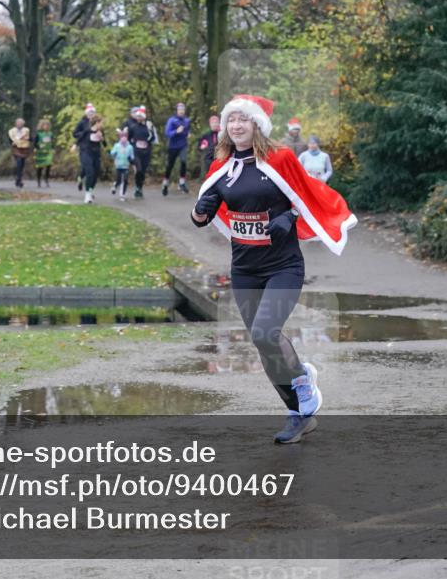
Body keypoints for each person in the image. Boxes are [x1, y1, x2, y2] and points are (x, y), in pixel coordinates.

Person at [191, 94, 357, 444]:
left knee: (267, 332)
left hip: (283, 266)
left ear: (257, 125)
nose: (237, 125)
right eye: (232, 119)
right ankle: (297, 413)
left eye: (244, 119)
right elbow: (201, 218)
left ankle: (301, 379)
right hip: (244, 269)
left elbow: (306, 194)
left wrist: (289, 217)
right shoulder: (221, 164)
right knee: (262, 341)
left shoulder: (280, 158)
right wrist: (200, 209)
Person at [121, 105, 153, 199]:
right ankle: (137, 188)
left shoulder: (148, 126)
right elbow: (127, 138)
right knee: (138, 170)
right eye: (137, 116)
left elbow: (152, 138)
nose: (138, 118)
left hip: (146, 152)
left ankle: (139, 188)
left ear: (143, 117)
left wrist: (150, 130)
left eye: (140, 116)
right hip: (136, 152)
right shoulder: (133, 127)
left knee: (142, 171)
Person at [74, 111, 104, 204]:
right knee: (90, 172)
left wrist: (102, 138)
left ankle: (90, 190)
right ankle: (87, 195)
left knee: (96, 173)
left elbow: (105, 144)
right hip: (86, 153)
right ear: (97, 123)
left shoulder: (101, 132)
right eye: (101, 123)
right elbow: (79, 139)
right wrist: (74, 146)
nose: (102, 125)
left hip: (96, 154)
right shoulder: (87, 131)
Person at [162, 102, 191, 195]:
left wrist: (188, 133)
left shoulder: (187, 120)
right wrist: (176, 131)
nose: (182, 111)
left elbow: (188, 130)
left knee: (183, 161)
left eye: (183, 109)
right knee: (170, 165)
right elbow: (167, 133)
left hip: (183, 145)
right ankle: (165, 183)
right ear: (177, 111)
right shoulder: (172, 120)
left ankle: (182, 182)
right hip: (173, 146)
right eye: (180, 109)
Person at [72, 103, 96, 191]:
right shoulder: (82, 123)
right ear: (86, 113)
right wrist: (84, 133)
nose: (91, 115)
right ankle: (88, 191)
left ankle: (80, 178)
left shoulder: (96, 122)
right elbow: (75, 134)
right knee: (88, 168)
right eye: (89, 113)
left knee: (91, 169)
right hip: (84, 148)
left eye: (92, 113)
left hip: (94, 149)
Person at [110, 129, 136, 201]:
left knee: (125, 180)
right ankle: (114, 186)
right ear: (120, 138)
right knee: (118, 180)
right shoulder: (117, 146)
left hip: (126, 166)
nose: (124, 138)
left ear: (127, 138)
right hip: (118, 166)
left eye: (125, 137)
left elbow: (132, 157)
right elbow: (112, 153)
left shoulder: (130, 147)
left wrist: (133, 163)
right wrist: (114, 153)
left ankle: (122, 194)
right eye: (122, 137)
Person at [8, 117, 31, 188]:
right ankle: (19, 179)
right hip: (16, 148)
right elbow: (10, 139)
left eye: (21, 123)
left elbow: (29, 138)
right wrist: (12, 143)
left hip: (24, 149)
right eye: (18, 123)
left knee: (22, 164)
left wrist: (29, 139)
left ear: (23, 124)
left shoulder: (26, 130)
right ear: (16, 123)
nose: (19, 124)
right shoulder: (12, 131)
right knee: (19, 162)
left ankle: (18, 179)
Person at [33, 118, 54, 188]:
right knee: (40, 167)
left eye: (47, 125)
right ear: (41, 126)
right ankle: (39, 180)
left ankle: (46, 179)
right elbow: (35, 143)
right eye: (45, 125)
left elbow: (52, 142)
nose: (46, 127)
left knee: (48, 165)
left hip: (48, 152)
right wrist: (38, 146)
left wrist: (53, 148)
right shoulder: (39, 134)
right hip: (40, 152)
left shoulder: (50, 133)